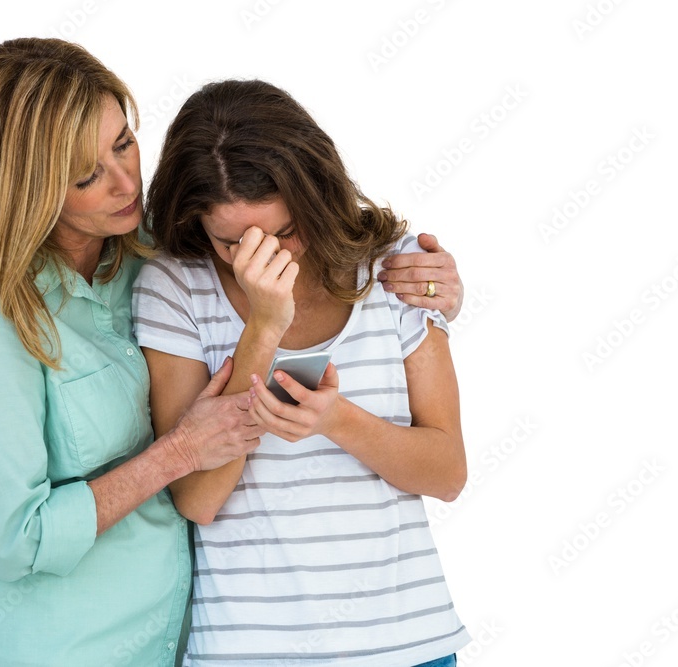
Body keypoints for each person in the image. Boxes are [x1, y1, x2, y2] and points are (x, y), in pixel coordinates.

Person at [0, 39, 266, 666]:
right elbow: (15, 541)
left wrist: (413, 278)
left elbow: (288, 235)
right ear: (22, 190)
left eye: (125, 141)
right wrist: (179, 453)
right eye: (87, 175)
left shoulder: (157, 256)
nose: (126, 180)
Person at [133, 79, 469, 666]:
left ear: (318, 193)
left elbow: (447, 474)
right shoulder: (175, 286)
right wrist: (264, 328)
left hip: (407, 644)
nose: (271, 257)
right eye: (234, 242)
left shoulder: (397, 265)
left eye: (287, 230)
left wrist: (337, 420)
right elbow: (198, 499)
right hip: (250, 650)